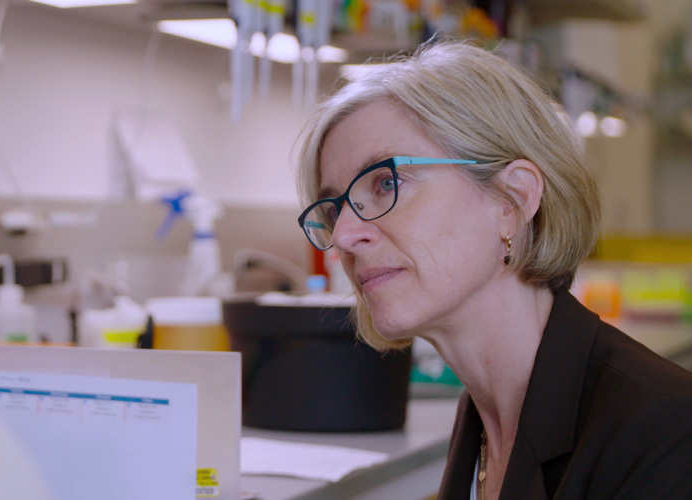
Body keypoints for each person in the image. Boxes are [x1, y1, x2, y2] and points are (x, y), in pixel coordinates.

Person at [295, 39, 692, 499]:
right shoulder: (485, 417)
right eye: (333, 210)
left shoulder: (665, 435)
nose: (344, 237)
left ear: (513, 200)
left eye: (385, 183)